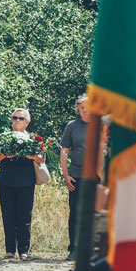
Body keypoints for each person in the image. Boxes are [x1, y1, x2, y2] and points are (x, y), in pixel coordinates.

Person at [0, 107, 45, 260]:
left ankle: (23, 250)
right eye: (15, 117)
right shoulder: (3, 137)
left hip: (26, 182)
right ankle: (9, 250)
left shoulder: (34, 139)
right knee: (8, 217)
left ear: (27, 121)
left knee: (24, 217)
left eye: (21, 118)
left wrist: (31, 155)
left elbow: (41, 159)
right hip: (7, 181)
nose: (17, 121)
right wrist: (4, 155)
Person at [59, 95, 92, 260]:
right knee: (76, 214)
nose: (85, 111)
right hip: (76, 177)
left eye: (88, 107)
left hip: (96, 177)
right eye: (82, 108)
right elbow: (64, 152)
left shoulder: (102, 126)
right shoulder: (72, 126)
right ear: (78, 110)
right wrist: (66, 175)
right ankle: (74, 250)